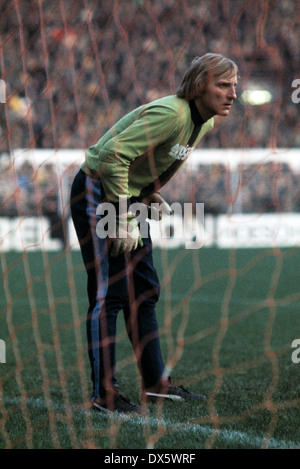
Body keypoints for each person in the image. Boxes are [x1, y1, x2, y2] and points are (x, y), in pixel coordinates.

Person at [70, 53, 238, 414]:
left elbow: (150, 158)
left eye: (234, 85)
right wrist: (119, 217)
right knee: (109, 294)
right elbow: (112, 155)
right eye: (223, 85)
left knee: (144, 290)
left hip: (127, 195)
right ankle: (105, 395)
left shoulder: (204, 123)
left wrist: (147, 191)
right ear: (198, 87)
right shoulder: (172, 113)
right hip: (98, 191)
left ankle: (156, 384)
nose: (233, 93)